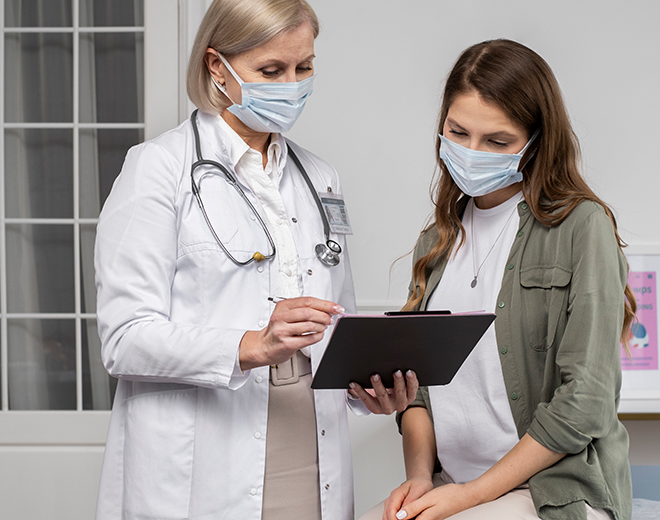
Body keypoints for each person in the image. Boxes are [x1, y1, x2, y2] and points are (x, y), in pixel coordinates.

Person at [93, 1, 417, 519]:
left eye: (303, 67)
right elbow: (124, 339)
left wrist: (367, 388)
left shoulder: (320, 178)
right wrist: (251, 344)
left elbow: (339, 318)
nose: (291, 85)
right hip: (206, 450)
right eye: (271, 71)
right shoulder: (157, 169)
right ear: (217, 67)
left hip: (311, 437)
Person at [361, 39, 636, 520]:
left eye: (497, 141)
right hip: (452, 484)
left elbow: (587, 401)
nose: (472, 152)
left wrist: (471, 496)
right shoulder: (436, 243)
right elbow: (419, 391)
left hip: (551, 492)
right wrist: (422, 479)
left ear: (534, 142)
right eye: (458, 132)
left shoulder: (580, 228)